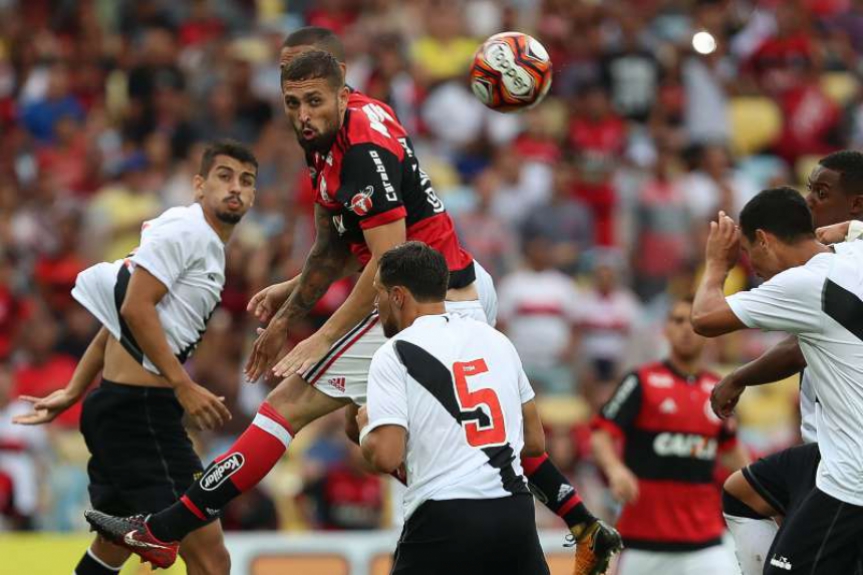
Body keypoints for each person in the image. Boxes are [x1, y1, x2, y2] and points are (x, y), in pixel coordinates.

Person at [85, 47, 621, 573]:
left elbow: (386, 258)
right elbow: (334, 248)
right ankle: (578, 519)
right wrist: (291, 306)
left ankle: (163, 531)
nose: (301, 114)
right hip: (455, 282)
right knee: (358, 423)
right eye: (291, 102)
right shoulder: (334, 132)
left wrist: (319, 338)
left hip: (430, 296)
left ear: (341, 87)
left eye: (312, 100)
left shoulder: (361, 151)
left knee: (285, 406)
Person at [13, 140, 258, 575]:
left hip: (118, 405)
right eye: (224, 176)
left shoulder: (195, 238)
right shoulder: (189, 231)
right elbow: (134, 308)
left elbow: (117, 315)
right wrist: (182, 384)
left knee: (113, 547)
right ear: (199, 185)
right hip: (141, 417)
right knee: (210, 557)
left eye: (246, 180)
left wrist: (73, 390)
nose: (235, 188)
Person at [356, 242, 555, 575]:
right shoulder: (497, 341)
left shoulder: (394, 353)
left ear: (399, 296)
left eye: (379, 294)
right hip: (513, 514)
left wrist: (366, 427)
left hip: (444, 517)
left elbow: (386, 456)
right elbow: (534, 442)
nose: (376, 305)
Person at [692, 188, 863, 574]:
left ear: (764, 240)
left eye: (749, 253)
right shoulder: (854, 255)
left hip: (853, 472)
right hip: (832, 450)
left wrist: (718, 264)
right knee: (742, 493)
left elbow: (704, 319)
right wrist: (849, 228)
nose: (752, 266)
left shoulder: (802, 285)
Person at [591, 298, 748, 575]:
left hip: (705, 543)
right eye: (677, 321)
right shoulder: (640, 381)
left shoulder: (718, 389)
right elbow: (601, 434)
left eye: (692, 322)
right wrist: (616, 470)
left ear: (708, 334)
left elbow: (732, 452)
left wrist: (763, 490)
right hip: (643, 543)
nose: (685, 329)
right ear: (665, 329)